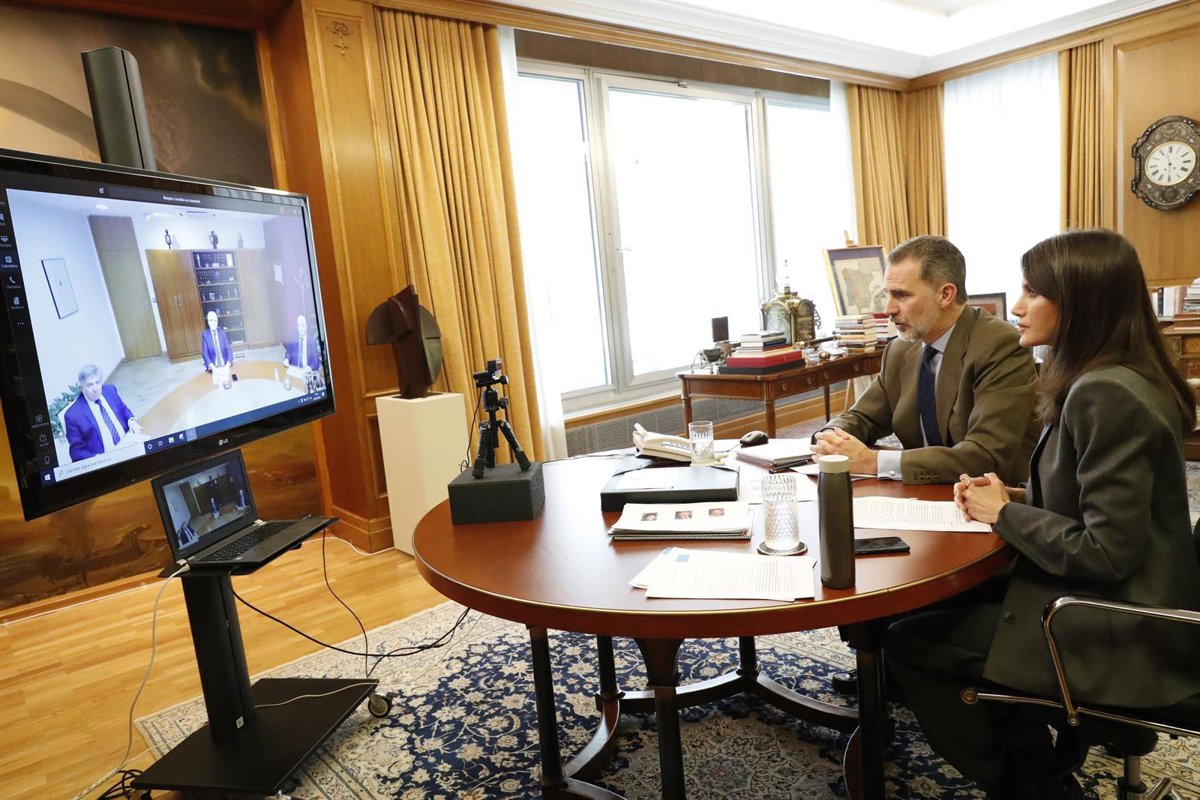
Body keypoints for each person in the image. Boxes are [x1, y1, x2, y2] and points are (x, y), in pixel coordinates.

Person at [887, 230, 1200, 799]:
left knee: (911, 645)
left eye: (1033, 292)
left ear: (1080, 301)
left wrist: (1003, 515)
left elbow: (1107, 551)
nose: (1017, 306)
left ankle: (1036, 787)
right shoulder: (1119, 376)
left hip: (1117, 623)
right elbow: (1087, 502)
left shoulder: (1106, 394)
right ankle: (1038, 753)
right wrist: (1012, 498)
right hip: (1127, 596)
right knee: (937, 602)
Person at [812, 235, 1040, 485]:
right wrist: (829, 438)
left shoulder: (999, 345)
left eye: (901, 295)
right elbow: (864, 418)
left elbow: (984, 456)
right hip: (922, 492)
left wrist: (874, 461)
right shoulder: (899, 350)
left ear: (945, 294)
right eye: (888, 295)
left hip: (992, 495)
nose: (888, 309)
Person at [63, 364, 142, 462]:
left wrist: (131, 421)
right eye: (90, 385)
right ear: (81, 388)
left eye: (97, 382)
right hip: (106, 459)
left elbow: (123, 409)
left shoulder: (110, 391)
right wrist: (97, 459)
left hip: (129, 443)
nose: (95, 388)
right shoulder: (73, 415)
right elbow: (76, 452)